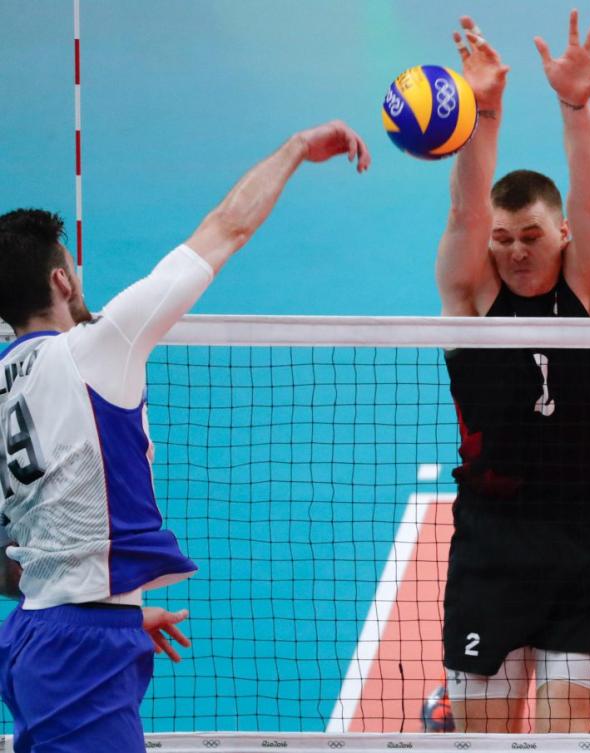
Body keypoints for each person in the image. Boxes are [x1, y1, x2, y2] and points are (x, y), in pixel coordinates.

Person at [0, 120, 369, 752]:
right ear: (61, 282)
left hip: (39, 638)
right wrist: (296, 149)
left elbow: (13, 563)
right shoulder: (98, 347)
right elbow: (226, 228)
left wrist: (111, 608)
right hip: (77, 654)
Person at [434, 11, 590, 734]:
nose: (516, 251)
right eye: (504, 238)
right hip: (491, 543)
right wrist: (484, 112)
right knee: (483, 741)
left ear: (562, 235)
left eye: (532, 236)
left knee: (561, 741)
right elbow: (462, 212)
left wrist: (574, 105)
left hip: (586, 545)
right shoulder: (470, 299)